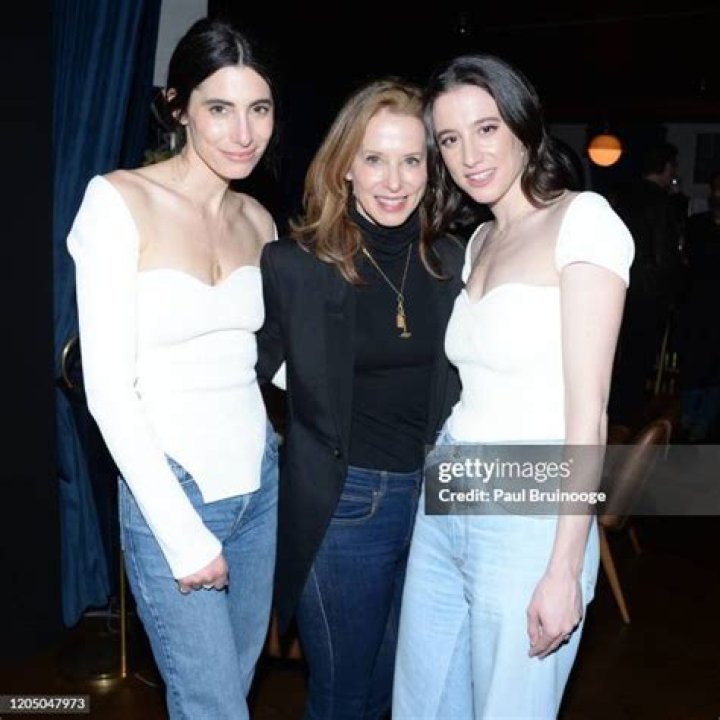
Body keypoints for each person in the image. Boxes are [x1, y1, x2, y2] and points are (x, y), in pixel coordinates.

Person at [392, 54, 634, 718]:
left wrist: (565, 568)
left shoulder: (584, 220)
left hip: (529, 512)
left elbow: (589, 415)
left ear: (523, 124)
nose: (469, 155)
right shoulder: (479, 241)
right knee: (420, 705)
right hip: (448, 492)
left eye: (486, 128)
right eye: (449, 139)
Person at [67, 18, 279, 720]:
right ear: (178, 106)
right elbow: (107, 390)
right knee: (213, 705)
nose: (243, 133)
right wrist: (183, 537)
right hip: (172, 490)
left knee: (231, 694)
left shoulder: (259, 220)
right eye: (219, 108)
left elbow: (266, 361)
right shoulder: (117, 200)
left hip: (262, 487)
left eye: (259, 109)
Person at [256, 79, 465, 719]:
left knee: (401, 690)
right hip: (347, 506)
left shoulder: (454, 260)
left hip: (437, 503)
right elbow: (240, 375)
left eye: (411, 160)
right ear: (345, 165)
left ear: (431, 169)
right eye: (374, 159)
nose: (394, 181)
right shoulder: (294, 266)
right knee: (345, 696)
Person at [608, 140, 685, 431]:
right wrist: (673, 293)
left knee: (613, 358)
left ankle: (610, 419)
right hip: (647, 295)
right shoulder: (663, 203)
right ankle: (626, 425)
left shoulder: (620, 197)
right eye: (673, 167)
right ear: (665, 167)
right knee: (637, 361)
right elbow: (665, 257)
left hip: (614, 289)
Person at [678, 170, 720, 441]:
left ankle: (704, 420)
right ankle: (687, 417)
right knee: (694, 361)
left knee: (716, 367)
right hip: (696, 303)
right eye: (716, 188)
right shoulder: (697, 223)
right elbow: (689, 259)